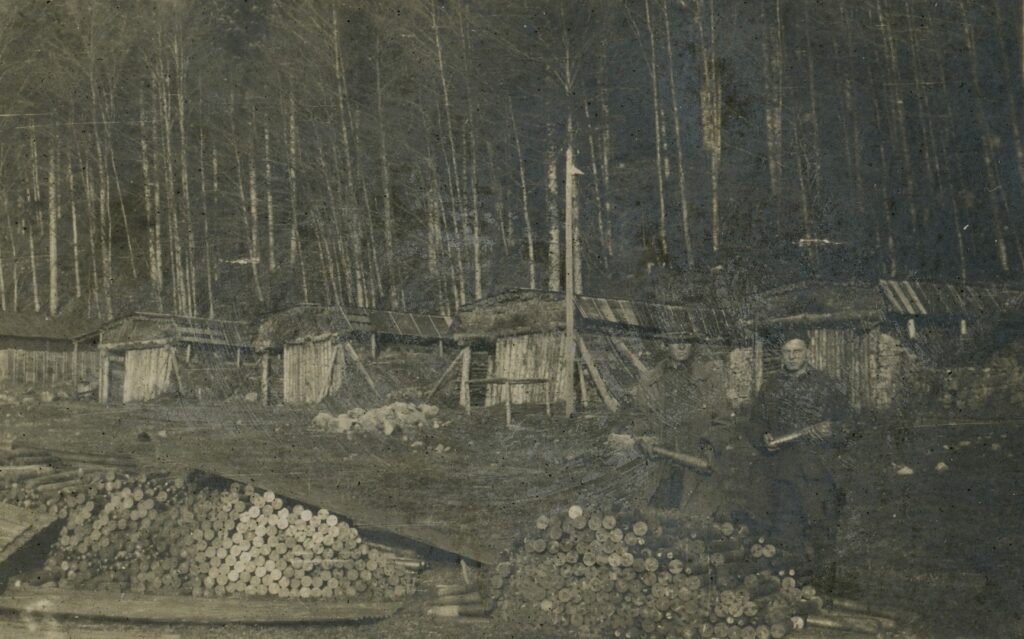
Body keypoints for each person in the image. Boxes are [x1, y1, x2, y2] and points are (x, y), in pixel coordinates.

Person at [749, 337, 852, 592]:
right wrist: (762, 439)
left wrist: (833, 430)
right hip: (781, 473)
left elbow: (850, 425)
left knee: (821, 534)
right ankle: (791, 593)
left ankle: (822, 592)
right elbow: (754, 423)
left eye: (797, 351)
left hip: (817, 473)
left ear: (808, 353)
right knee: (785, 534)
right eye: (787, 352)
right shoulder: (771, 386)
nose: (792, 357)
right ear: (781, 355)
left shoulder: (826, 384)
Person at [631, 334, 733, 513]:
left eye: (686, 340)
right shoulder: (650, 381)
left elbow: (723, 420)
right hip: (660, 465)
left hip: (696, 463)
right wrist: (645, 436)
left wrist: (710, 446)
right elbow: (640, 417)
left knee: (694, 525)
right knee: (657, 521)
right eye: (674, 340)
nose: (681, 346)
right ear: (665, 343)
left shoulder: (709, 379)